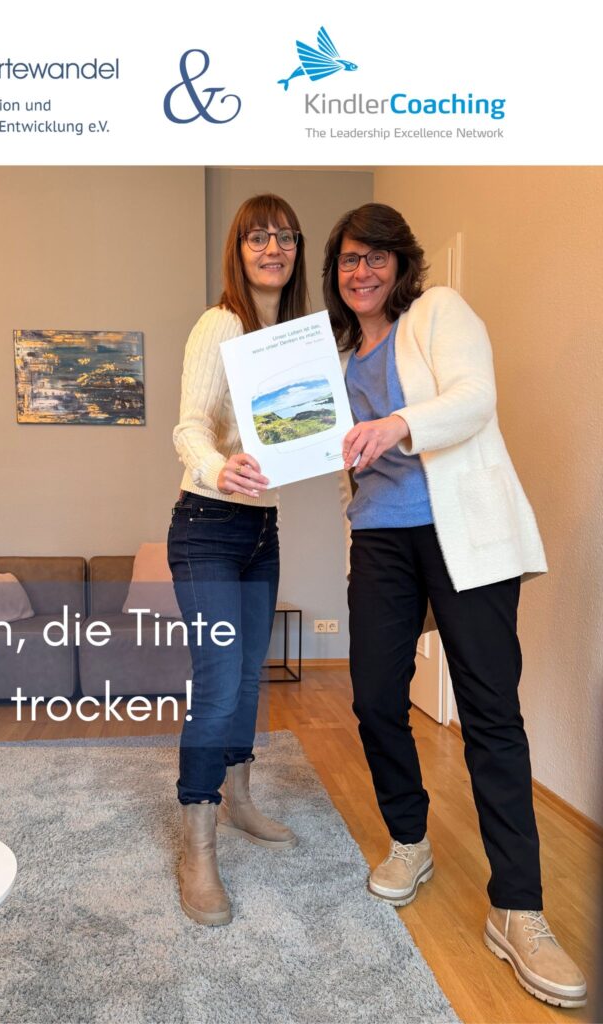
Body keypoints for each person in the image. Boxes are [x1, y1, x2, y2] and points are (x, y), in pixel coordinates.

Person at [322, 202, 586, 1008]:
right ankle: (410, 839)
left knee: (490, 712)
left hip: (460, 532)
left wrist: (397, 422)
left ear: (400, 263)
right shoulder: (339, 355)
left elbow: (476, 398)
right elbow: (334, 450)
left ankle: (519, 910)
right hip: (380, 540)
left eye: (375, 256)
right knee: (374, 698)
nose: (361, 271)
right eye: (348, 260)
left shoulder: (439, 311)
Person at [168, 194, 308, 926]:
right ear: (239, 248)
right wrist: (219, 468)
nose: (272, 248)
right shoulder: (220, 323)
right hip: (207, 527)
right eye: (258, 236)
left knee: (250, 679)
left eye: (285, 236)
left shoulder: (290, 341)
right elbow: (189, 427)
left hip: (261, 532)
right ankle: (198, 845)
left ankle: (241, 799)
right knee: (219, 684)